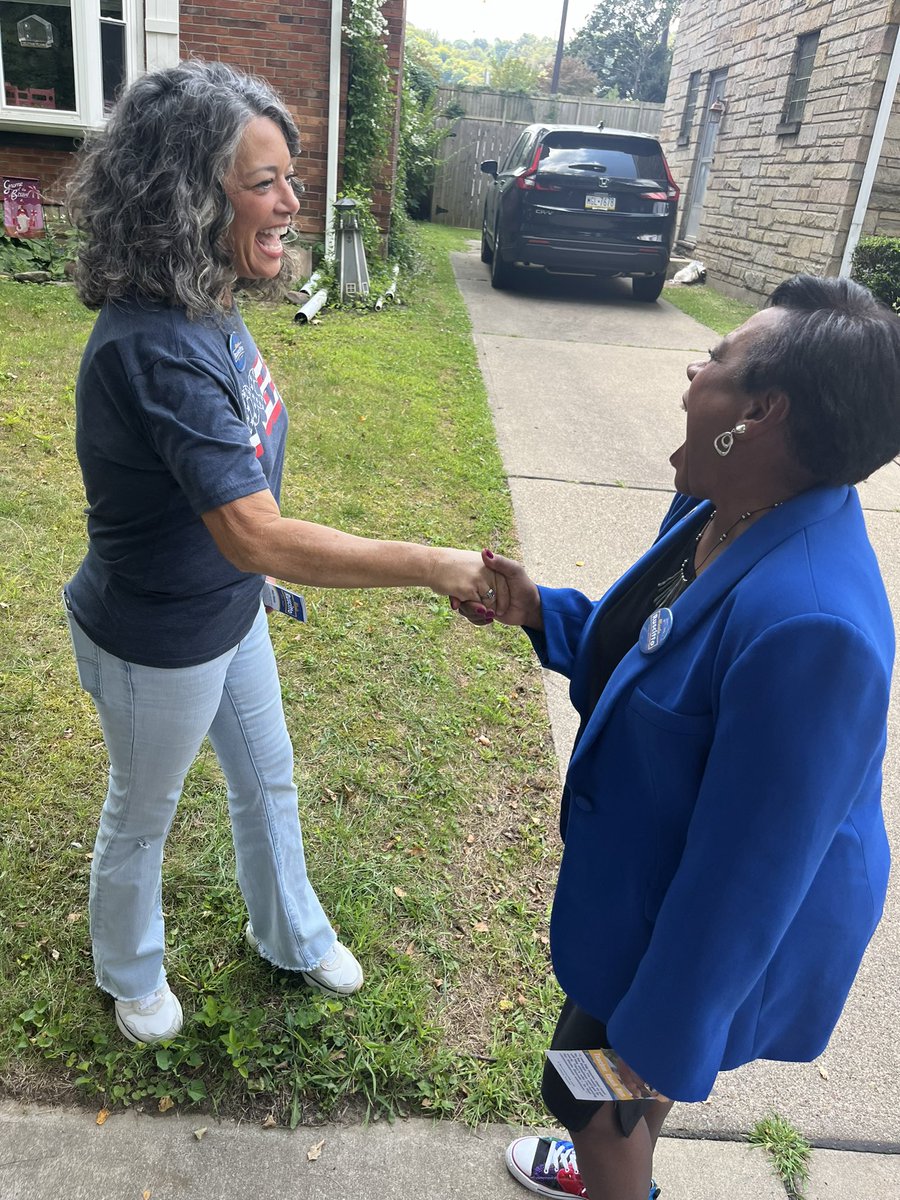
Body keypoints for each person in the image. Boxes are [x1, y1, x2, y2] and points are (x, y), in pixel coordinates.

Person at [63, 60, 499, 1046]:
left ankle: (292, 934)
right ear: (187, 193)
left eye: (288, 178)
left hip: (225, 606)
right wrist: (434, 564)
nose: (292, 202)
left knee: (268, 780)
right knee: (142, 812)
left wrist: (249, 573)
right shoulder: (156, 347)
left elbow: (233, 513)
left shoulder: (205, 306)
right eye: (264, 182)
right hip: (156, 640)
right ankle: (130, 972)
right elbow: (253, 525)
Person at [460, 275, 900, 1200]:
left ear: (761, 413)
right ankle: (614, 1152)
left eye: (719, 358)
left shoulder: (813, 626)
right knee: (610, 1091)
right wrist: (538, 609)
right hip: (662, 883)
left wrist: (662, 1036)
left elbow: (744, 887)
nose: (694, 370)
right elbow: (650, 658)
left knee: (589, 1095)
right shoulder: (726, 508)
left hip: (727, 919)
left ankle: (612, 1170)